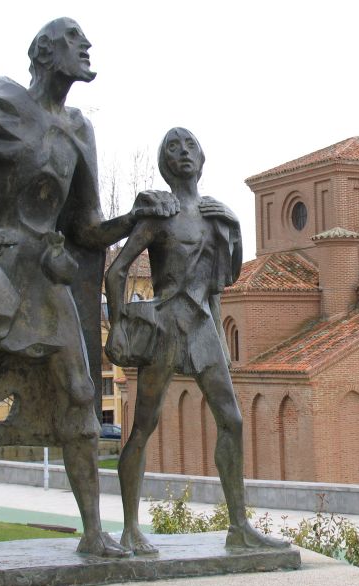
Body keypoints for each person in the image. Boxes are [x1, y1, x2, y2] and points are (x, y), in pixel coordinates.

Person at [0, 18, 176, 558]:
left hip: (48, 282)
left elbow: (87, 227)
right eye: (75, 39)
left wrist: (134, 217)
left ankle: (93, 532)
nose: (87, 46)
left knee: (79, 395)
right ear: (45, 52)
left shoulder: (80, 130)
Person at [105, 127, 288, 555]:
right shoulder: (159, 213)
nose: (182, 152)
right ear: (165, 162)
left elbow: (222, 280)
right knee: (144, 426)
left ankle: (238, 526)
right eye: (173, 146)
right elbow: (117, 271)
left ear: (201, 158)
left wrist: (234, 222)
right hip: (167, 325)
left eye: (189, 145)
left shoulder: (214, 214)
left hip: (204, 326)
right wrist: (116, 324)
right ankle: (130, 528)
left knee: (233, 421)